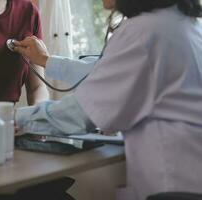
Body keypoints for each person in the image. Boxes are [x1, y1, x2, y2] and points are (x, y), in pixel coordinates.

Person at [14, 0, 202, 199]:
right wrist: (47, 60)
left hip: (176, 186)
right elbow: (108, 72)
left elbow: (78, 115)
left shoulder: (143, 32)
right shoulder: (186, 26)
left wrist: (10, 118)